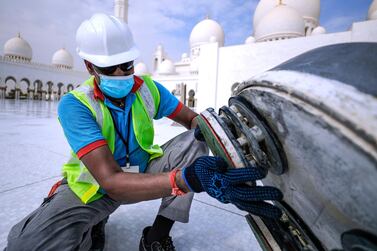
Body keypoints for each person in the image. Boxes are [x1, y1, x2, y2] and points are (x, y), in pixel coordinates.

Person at [5, 13, 283, 251]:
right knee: (27, 244)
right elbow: (111, 181)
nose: (120, 73)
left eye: (126, 64)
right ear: (90, 67)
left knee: (193, 143)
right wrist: (189, 178)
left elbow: (191, 120)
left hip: (143, 171)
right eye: (108, 67)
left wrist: (225, 137)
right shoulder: (76, 104)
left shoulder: (148, 88)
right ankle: (92, 223)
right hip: (93, 187)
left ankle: (156, 236)